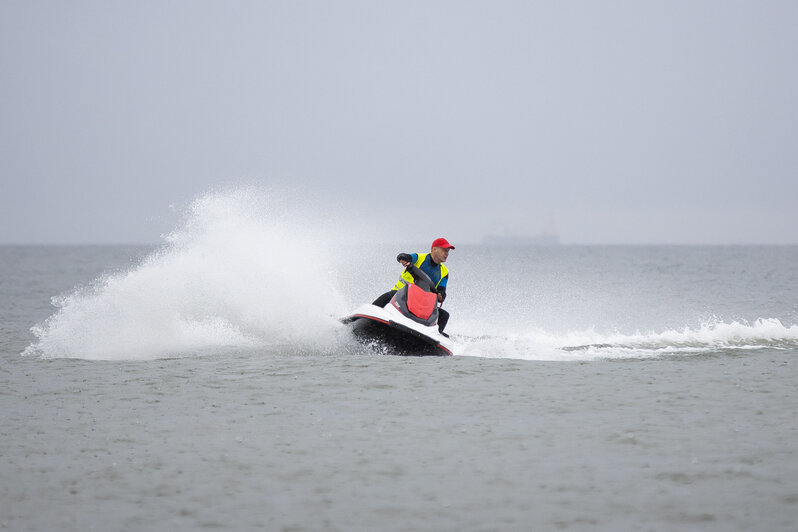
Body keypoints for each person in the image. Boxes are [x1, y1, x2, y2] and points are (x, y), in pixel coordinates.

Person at [372, 237, 455, 336]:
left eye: (448, 251)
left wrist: (441, 295)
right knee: (390, 295)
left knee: (444, 315)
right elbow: (404, 256)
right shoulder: (419, 258)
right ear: (434, 249)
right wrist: (403, 259)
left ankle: (435, 337)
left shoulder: (444, 271)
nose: (447, 253)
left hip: (423, 304)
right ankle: (370, 313)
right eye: (444, 250)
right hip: (402, 295)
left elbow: (442, 291)